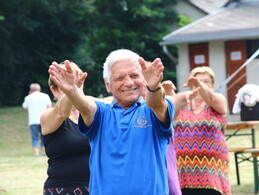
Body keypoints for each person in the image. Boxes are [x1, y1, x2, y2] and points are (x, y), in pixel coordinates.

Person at [48, 49, 175, 195]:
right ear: (107, 84)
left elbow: (157, 103)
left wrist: (153, 87)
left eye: (134, 75)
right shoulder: (101, 113)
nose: (128, 82)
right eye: (119, 78)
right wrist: (72, 92)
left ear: (144, 78)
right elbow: (86, 108)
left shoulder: (152, 110)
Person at [166, 66, 231, 195]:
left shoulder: (218, 101)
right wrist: (167, 92)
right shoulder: (183, 104)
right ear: (190, 85)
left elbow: (210, 98)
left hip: (212, 171)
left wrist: (199, 84)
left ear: (212, 85)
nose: (201, 84)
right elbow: (169, 110)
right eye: (197, 80)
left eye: (206, 81)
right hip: (182, 170)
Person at [40, 61, 91, 195]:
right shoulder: (48, 116)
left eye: (75, 80)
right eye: (65, 82)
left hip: (97, 187)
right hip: (62, 189)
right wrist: (72, 90)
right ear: (54, 90)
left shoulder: (92, 112)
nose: (72, 86)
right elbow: (61, 112)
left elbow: (115, 100)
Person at [22, 83, 52, 156]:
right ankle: (44, 152)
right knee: (44, 136)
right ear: (39, 89)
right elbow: (50, 107)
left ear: (31, 90)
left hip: (33, 120)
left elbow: (25, 107)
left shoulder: (28, 97)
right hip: (44, 119)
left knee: (35, 137)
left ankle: (36, 153)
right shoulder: (45, 96)